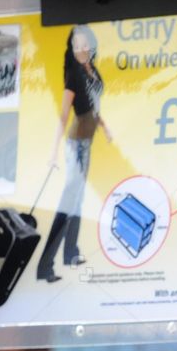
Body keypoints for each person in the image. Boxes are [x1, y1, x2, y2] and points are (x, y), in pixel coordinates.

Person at [37, 24, 112, 283]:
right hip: (75, 144)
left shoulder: (91, 71)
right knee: (68, 202)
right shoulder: (74, 76)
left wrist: (105, 127)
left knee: (78, 201)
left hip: (87, 143)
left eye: (84, 44)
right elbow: (64, 115)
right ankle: (45, 266)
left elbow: (94, 106)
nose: (81, 49)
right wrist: (53, 151)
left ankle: (70, 253)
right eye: (76, 44)